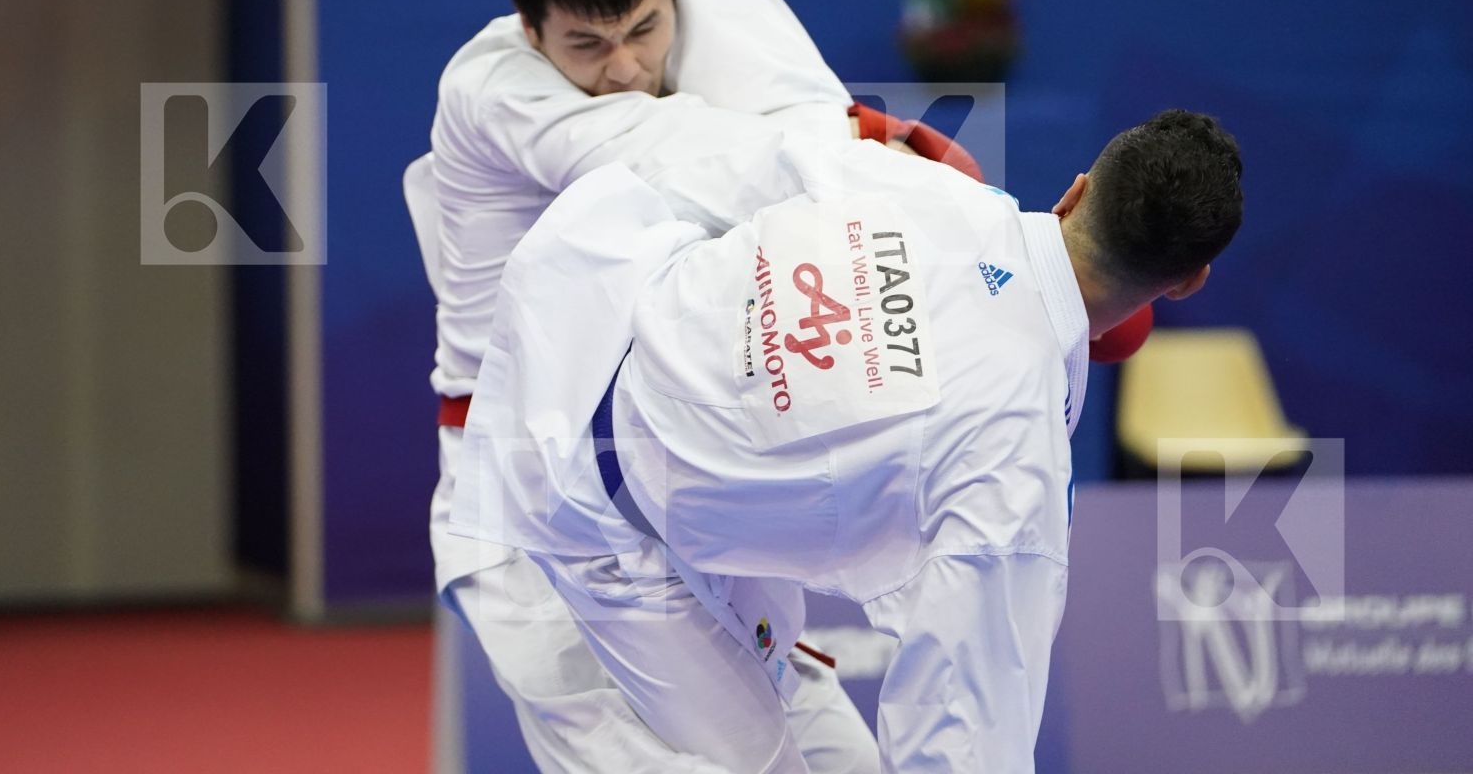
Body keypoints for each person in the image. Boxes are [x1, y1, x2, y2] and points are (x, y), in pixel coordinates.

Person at [452, 109, 1243, 771]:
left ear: (1077, 192)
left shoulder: (917, 182)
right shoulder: (1018, 469)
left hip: (579, 325)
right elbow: (961, 730)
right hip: (606, 524)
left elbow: (724, 164)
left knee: (821, 723)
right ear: (1187, 281)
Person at [416, 0, 883, 772]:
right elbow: (652, 149)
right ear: (529, 31)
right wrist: (881, 157)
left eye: (644, 30)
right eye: (586, 47)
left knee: (827, 747)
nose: (625, 68)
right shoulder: (491, 88)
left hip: (673, 477)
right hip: (528, 499)